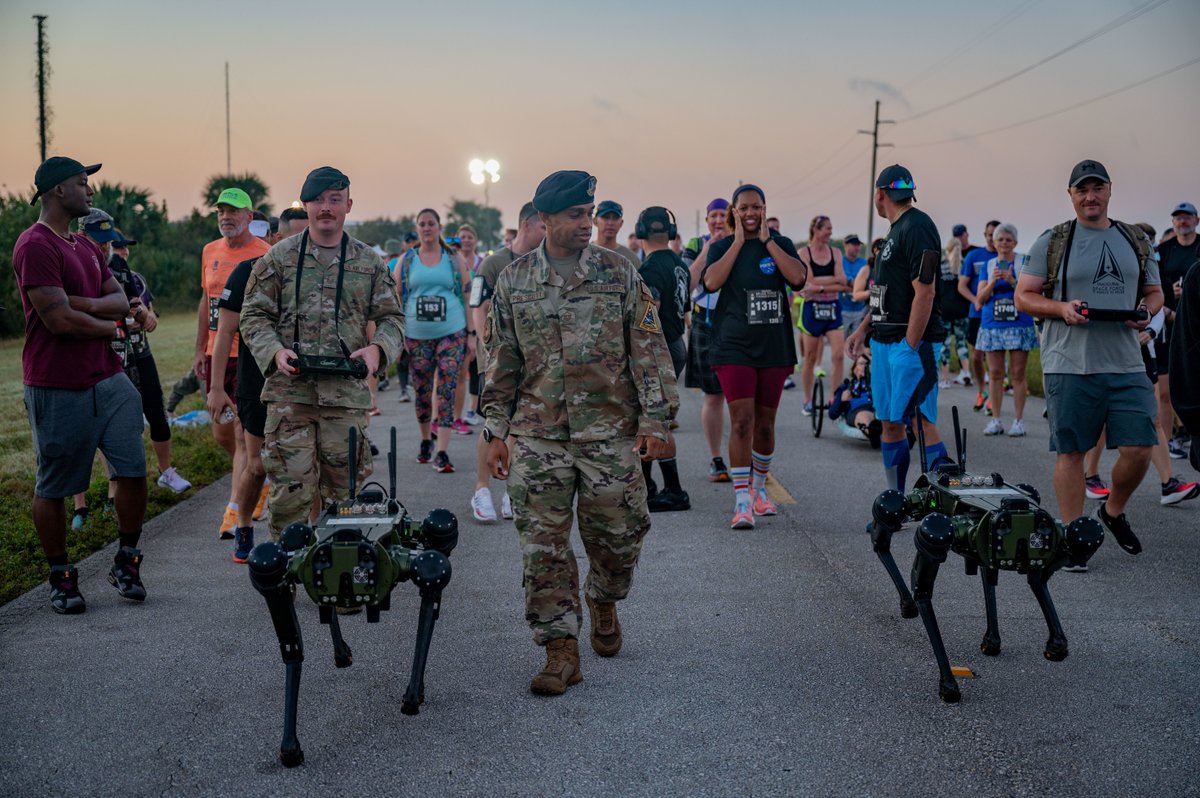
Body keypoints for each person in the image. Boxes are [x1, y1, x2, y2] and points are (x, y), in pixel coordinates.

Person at [480, 170, 677, 695]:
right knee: (542, 545)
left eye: (589, 214)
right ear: (543, 219)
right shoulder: (515, 280)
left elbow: (649, 350)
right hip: (539, 434)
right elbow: (501, 360)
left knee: (620, 536)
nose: (586, 224)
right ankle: (560, 649)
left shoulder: (619, 271)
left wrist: (657, 420)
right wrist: (495, 430)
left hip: (609, 432)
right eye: (574, 216)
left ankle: (604, 597)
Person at [240, 166, 405, 545]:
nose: (326, 208)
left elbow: (392, 318)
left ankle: (343, 582)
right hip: (289, 397)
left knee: (344, 500)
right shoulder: (278, 259)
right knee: (290, 496)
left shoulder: (368, 262)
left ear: (348, 205)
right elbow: (253, 315)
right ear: (306, 205)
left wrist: (378, 350)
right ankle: (287, 581)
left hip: (345, 399)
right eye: (317, 200)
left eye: (335, 200)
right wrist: (275, 352)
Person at [13, 156, 148, 613]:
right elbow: (58, 321)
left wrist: (87, 304)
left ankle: (127, 560)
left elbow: (118, 299)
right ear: (57, 191)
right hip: (56, 383)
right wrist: (111, 328)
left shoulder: (87, 246)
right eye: (81, 183)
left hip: (108, 380)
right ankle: (61, 576)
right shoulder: (35, 245)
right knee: (54, 485)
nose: (90, 191)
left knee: (132, 469)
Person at [1014, 159, 1163, 564]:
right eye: (1082, 189)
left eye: (1097, 188)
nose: (1090, 196)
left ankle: (1112, 511)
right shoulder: (1053, 240)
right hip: (1068, 362)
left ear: (1110, 190)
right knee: (1072, 452)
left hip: (1126, 362)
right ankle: (1072, 539)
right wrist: (1060, 307)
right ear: (1071, 195)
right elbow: (1023, 295)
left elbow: (1154, 292)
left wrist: (1146, 312)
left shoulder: (1134, 240)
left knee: (1141, 447)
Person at [701, 184, 807, 529]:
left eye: (756, 207)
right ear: (734, 211)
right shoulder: (721, 246)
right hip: (734, 345)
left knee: (765, 423)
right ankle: (742, 500)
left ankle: (761, 492)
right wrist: (735, 242)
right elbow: (711, 283)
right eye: (743, 208)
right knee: (742, 420)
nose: (750, 213)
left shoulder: (780, 243)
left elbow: (798, 278)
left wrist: (768, 242)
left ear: (764, 209)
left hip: (773, 344)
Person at [208, 206, 309, 561]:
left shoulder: (320, 276)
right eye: (294, 237)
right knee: (258, 465)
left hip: (305, 386)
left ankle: (309, 540)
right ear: (277, 239)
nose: (301, 244)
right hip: (258, 384)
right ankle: (245, 525)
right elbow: (224, 334)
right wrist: (217, 388)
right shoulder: (247, 273)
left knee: (312, 465)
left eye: (306, 237)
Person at [846, 164, 949, 492]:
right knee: (890, 423)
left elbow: (926, 290)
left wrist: (909, 345)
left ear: (879, 194)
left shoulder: (918, 226)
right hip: (884, 340)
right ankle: (895, 499)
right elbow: (883, 293)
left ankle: (944, 507)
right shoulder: (894, 232)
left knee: (922, 422)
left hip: (913, 344)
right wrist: (863, 329)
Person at [195, 187, 270, 538]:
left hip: (250, 356)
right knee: (223, 432)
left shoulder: (265, 255)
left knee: (242, 436)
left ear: (249, 218)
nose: (226, 217)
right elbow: (206, 302)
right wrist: (200, 350)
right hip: (217, 353)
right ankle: (255, 475)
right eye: (222, 211)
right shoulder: (210, 250)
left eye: (234, 212)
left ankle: (234, 512)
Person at [469, 202, 545, 523]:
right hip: (495, 359)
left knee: (518, 425)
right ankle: (481, 490)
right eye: (544, 226)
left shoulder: (543, 263)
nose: (548, 233)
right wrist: (488, 350)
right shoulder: (494, 263)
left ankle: (511, 491)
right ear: (526, 225)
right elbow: (477, 306)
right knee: (493, 424)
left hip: (528, 360)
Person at [397, 208, 474, 472]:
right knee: (421, 390)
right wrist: (396, 335)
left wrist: (472, 335)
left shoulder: (453, 258)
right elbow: (395, 297)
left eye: (432, 223)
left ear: (440, 226)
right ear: (417, 228)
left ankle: (442, 450)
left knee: (447, 387)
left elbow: (467, 296)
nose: (427, 228)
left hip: (452, 331)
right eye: (422, 224)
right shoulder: (407, 260)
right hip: (417, 335)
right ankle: (424, 440)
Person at [635, 206, 691, 512]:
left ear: (641, 231)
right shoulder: (678, 263)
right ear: (669, 232)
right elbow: (684, 309)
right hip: (675, 342)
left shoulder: (651, 268)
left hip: (659, 349)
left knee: (652, 420)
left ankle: (672, 490)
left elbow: (650, 306)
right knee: (656, 419)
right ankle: (651, 486)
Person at [682, 199, 733, 483]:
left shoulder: (740, 241)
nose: (717, 220)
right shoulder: (695, 243)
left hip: (735, 322)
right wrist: (707, 250)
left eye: (722, 215)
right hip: (705, 320)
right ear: (707, 221)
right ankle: (716, 458)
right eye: (713, 215)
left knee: (739, 396)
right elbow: (688, 282)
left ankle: (743, 457)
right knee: (713, 396)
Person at [976, 223, 1037, 437]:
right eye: (1000, 239)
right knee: (995, 373)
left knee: (1018, 374)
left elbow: (1031, 292)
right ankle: (996, 419)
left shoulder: (1024, 262)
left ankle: (1019, 421)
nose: (1004, 243)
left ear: (1016, 243)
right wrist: (992, 282)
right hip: (993, 324)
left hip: (1018, 323)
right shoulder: (988, 265)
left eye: (1008, 240)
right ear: (994, 242)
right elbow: (979, 299)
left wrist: (1013, 281)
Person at [794, 215, 849, 416]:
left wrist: (819, 286)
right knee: (809, 357)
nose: (830, 232)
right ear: (816, 230)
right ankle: (807, 399)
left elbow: (843, 282)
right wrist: (831, 283)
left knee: (837, 354)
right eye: (827, 228)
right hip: (812, 309)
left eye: (831, 228)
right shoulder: (804, 253)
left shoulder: (835, 252)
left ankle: (835, 398)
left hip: (833, 308)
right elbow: (807, 284)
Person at [1157, 202, 1199, 460]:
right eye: (1178, 218)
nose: (1182, 222)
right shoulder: (1162, 251)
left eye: (1187, 218)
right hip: (1168, 323)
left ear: (1196, 220)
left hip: (1195, 323)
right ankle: (1169, 439)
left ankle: (1189, 433)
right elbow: (1151, 285)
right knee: (1166, 389)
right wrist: (1167, 295)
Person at [959, 221, 1000, 406]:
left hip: (998, 315)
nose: (992, 238)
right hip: (977, 314)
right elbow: (962, 285)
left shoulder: (1004, 257)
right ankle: (981, 391)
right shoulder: (974, 256)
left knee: (994, 358)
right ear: (985, 235)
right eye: (989, 234)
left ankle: (993, 395)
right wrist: (975, 300)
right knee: (976, 356)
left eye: (996, 235)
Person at [453, 224, 485, 431]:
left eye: (470, 237)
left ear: (475, 240)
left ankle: (472, 409)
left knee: (476, 367)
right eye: (462, 237)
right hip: (458, 319)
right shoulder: (451, 261)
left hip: (479, 318)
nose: (466, 240)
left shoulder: (482, 263)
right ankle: (450, 414)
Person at [938, 235, 971, 387]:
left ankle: (945, 379)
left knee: (944, 344)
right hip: (962, 309)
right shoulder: (964, 265)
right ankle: (966, 373)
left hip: (944, 309)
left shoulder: (941, 265)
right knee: (961, 342)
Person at [591, 199, 639, 264]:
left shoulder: (631, 258)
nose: (610, 223)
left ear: (621, 223)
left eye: (615, 218)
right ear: (595, 221)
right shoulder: (583, 253)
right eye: (606, 217)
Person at [839, 233, 869, 335]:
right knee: (841, 345)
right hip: (842, 309)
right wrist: (858, 287)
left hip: (860, 310)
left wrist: (847, 284)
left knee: (857, 345)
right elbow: (838, 281)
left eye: (858, 245)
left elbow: (867, 285)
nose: (857, 247)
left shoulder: (864, 263)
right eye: (854, 244)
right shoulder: (839, 262)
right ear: (846, 245)